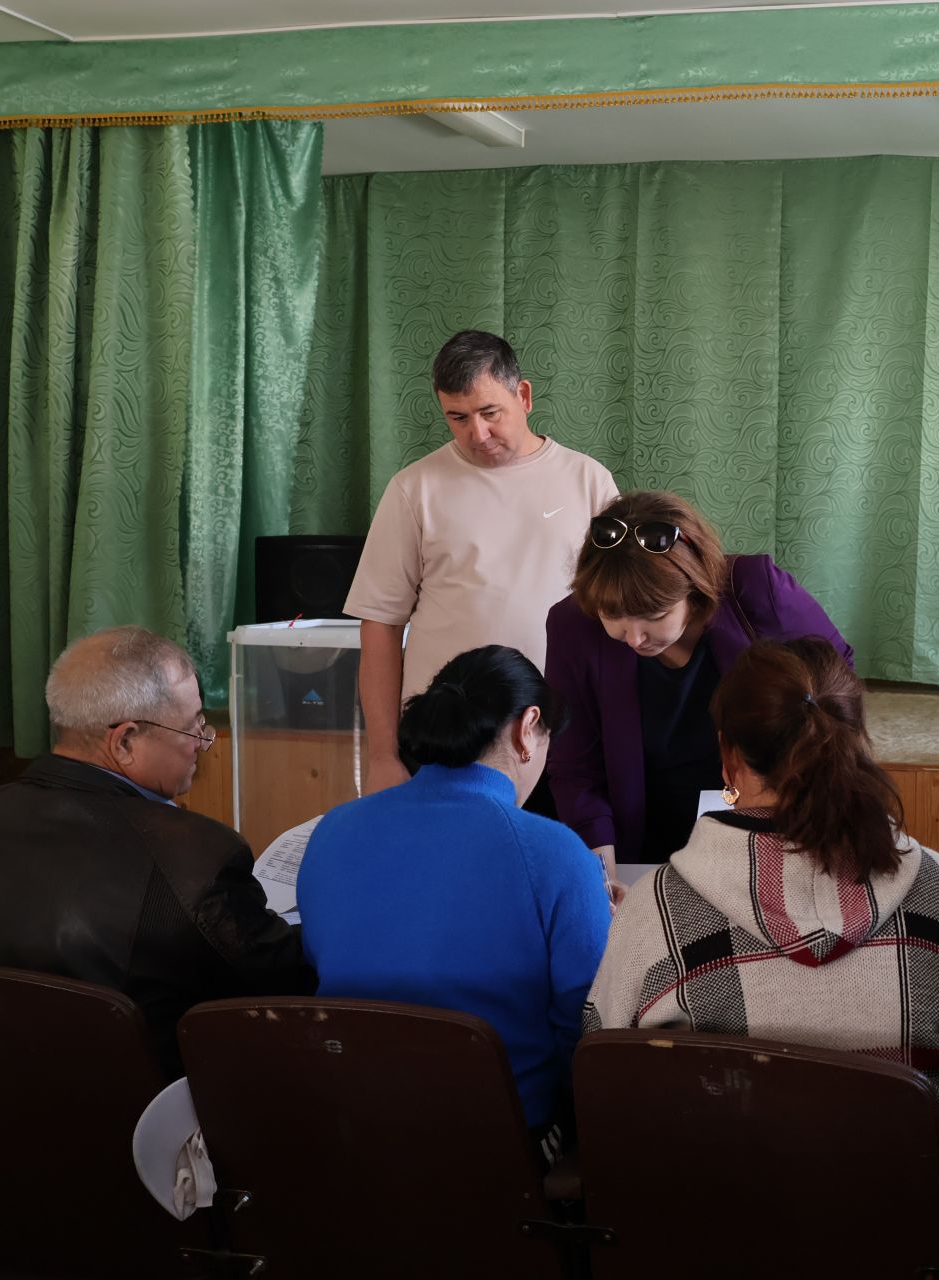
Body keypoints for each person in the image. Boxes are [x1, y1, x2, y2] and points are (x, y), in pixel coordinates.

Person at [584, 637, 939, 1225]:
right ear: (856, 744)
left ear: (728, 759)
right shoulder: (935, 886)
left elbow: (605, 1081)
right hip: (908, 1238)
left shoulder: (659, 910)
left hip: (712, 1246)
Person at [297, 645, 610, 1138]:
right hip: (498, 1148)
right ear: (527, 728)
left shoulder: (331, 831)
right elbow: (588, 1024)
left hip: (348, 1130)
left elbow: (326, 962)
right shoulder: (558, 853)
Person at [0, 626, 313, 1075]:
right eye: (193, 725)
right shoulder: (197, 857)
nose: (203, 742)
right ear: (125, 741)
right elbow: (287, 980)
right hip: (143, 1118)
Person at [343, 330, 619, 794]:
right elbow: (380, 626)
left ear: (523, 395)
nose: (478, 433)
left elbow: (622, 610)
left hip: (562, 734)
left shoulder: (587, 481)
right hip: (447, 736)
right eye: (458, 417)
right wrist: (382, 757)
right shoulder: (414, 489)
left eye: (490, 413)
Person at [544, 489, 851, 882]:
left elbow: (837, 685)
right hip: (642, 836)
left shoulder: (753, 590)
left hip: (768, 820)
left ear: (694, 588)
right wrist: (602, 873)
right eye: (613, 616)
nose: (634, 638)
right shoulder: (573, 625)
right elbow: (575, 767)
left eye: (653, 615)